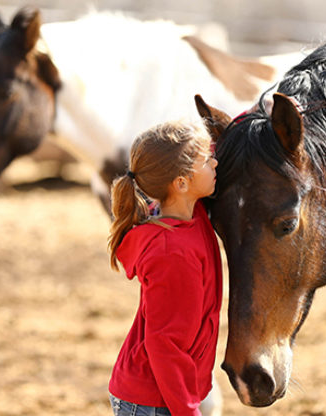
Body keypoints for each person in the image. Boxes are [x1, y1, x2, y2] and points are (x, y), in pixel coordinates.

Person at [107, 120, 222, 416]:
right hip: (152, 402)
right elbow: (164, 343)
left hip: (160, 393)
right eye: (207, 160)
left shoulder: (190, 212)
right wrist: (187, 411)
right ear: (181, 183)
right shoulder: (173, 254)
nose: (215, 162)